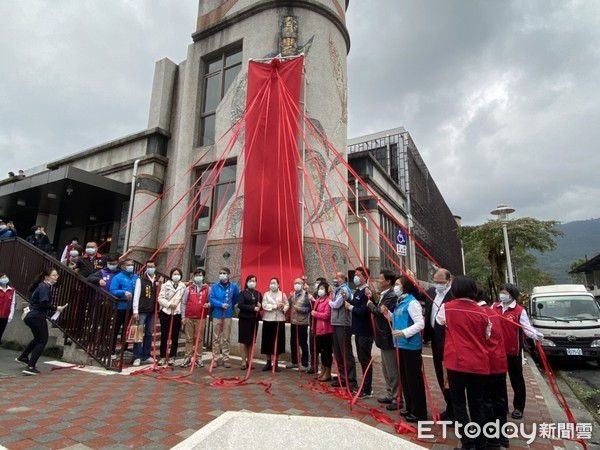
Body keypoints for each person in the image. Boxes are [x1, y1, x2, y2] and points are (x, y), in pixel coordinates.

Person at [436, 275, 490, 450]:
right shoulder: (483, 311)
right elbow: (487, 334)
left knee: (459, 403)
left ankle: (467, 442)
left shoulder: (447, 308)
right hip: (479, 363)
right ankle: (481, 443)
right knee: (477, 403)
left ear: (454, 290)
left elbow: (439, 321)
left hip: (457, 363)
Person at [493, 283, 543, 420]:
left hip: (513, 351)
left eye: (505, 293)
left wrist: (536, 335)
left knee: (517, 379)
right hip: (497, 350)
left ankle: (519, 407)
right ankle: (502, 405)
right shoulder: (494, 307)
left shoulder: (519, 311)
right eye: (501, 292)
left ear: (512, 295)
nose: (502, 295)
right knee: (499, 379)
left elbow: (527, 328)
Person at [389, 275, 427, 422]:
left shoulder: (412, 303)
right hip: (401, 345)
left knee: (414, 380)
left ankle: (419, 412)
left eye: (398, 284)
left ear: (405, 286)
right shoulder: (401, 302)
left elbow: (420, 324)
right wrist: (388, 313)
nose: (395, 287)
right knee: (405, 379)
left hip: (411, 346)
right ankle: (410, 407)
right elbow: (396, 318)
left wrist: (404, 333)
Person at [17, 268, 66, 375]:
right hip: (36, 316)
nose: (56, 277)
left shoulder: (43, 287)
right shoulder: (44, 288)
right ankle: (31, 366)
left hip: (32, 316)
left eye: (56, 275)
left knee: (38, 338)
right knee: (42, 340)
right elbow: (43, 304)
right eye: (54, 275)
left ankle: (24, 356)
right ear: (46, 277)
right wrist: (56, 308)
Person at [477, 288, 508, 450]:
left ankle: (492, 437)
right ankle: (502, 435)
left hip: (488, 362)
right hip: (499, 361)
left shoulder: (481, 313)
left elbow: (483, 337)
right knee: (499, 399)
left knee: (487, 401)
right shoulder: (492, 311)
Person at [368, 270, 401, 410]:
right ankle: (390, 393)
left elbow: (379, 312)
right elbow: (379, 308)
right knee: (386, 369)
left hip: (387, 336)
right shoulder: (386, 294)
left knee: (392, 369)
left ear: (388, 281)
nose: (379, 280)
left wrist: (370, 304)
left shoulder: (392, 296)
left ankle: (396, 397)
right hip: (382, 336)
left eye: (381, 278)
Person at [423, 268, 454, 420]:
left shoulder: (454, 295)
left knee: (450, 376)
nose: (438, 285)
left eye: (441, 282)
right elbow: (418, 295)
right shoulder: (431, 291)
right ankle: (449, 404)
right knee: (440, 373)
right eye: (436, 282)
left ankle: (454, 407)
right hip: (435, 340)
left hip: (449, 341)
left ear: (449, 281)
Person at [345, 267, 374, 398]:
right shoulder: (357, 291)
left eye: (358, 275)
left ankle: (367, 388)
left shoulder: (367, 292)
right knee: (362, 359)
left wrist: (350, 307)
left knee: (365, 360)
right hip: (357, 331)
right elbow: (353, 302)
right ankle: (365, 386)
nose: (355, 277)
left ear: (364, 277)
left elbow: (364, 311)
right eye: (355, 275)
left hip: (365, 331)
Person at [329, 272, 357, 391]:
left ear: (342, 279)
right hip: (336, 323)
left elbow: (336, 305)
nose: (335, 280)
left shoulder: (344, 290)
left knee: (345, 352)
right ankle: (342, 377)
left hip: (343, 324)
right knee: (338, 353)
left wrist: (329, 301)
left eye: (337, 278)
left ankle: (350, 379)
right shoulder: (338, 290)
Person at [131, 260, 161, 366]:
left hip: (152, 311)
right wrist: (135, 311)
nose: (150, 268)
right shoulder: (141, 280)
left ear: (155, 267)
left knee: (148, 334)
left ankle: (146, 355)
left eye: (152, 266)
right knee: (138, 333)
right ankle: (137, 356)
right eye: (148, 266)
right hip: (142, 310)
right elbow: (136, 296)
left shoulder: (157, 281)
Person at [180, 268, 210, 368]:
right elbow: (183, 302)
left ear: (203, 277)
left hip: (201, 317)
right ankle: (187, 357)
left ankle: (198, 357)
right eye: (196, 275)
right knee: (189, 338)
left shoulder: (208, 289)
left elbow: (211, 301)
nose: (198, 277)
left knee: (199, 338)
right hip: (189, 316)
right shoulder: (189, 288)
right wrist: (183, 316)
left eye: (200, 275)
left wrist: (209, 305)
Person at [209, 267, 239, 368]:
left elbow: (236, 297)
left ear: (228, 275)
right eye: (220, 273)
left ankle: (226, 358)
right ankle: (215, 358)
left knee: (226, 338)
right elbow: (212, 298)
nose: (222, 275)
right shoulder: (215, 286)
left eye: (224, 273)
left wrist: (230, 305)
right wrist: (221, 304)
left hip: (228, 315)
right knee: (216, 338)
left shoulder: (233, 286)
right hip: (217, 314)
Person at [109, 258, 138, 358]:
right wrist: (123, 292)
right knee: (116, 328)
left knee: (127, 328)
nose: (131, 266)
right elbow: (112, 290)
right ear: (123, 266)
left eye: (132, 264)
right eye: (128, 265)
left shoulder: (135, 277)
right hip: (120, 306)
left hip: (131, 307)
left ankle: (124, 348)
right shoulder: (118, 277)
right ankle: (111, 349)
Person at [157, 268, 186, 366]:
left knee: (175, 335)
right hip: (166, 312)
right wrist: (169, 305)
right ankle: (162, 357)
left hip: (177, 313)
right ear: (171, 275)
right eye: (174, 274)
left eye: (178, 274)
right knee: (164, 335)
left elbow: (184, 301)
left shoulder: (183, 286)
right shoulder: (165, 285)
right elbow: (160, 298)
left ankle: (172, 356)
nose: (176, 276)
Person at [261, 277, 288, 372]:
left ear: (278, 284)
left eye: (274, 283)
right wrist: (275, 306)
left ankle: (276, 362)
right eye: (271, 283)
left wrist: (283, 307)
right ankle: (268, 362)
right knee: (267, 341)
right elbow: (264, 305)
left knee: (278, 342)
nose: (272, 285)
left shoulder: (282, 294)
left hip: (279, 320)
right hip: (268, 320)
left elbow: (287, 305)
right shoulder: (266, 294)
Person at [237, 274, 262, 370]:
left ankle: (250, 361)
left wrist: (260, 307)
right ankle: (243, 362)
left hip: (254, 320)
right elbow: (240, 305)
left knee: (251, 341)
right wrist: (253, 308)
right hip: (244, 318)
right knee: (243, 340)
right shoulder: (242, 293)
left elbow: (261, 306)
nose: (252, 283)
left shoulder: (258, 294)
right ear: (247, 282)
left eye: (254, 281)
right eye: (250, 281)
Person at [311, 280, 333, 381]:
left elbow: (327, 315)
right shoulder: (317, 300)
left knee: (326, 353)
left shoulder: (328, 301)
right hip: (318, 330)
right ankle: (323, 371)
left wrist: (315, 314)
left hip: (326, 331)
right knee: (321, 352)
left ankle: (327, 373)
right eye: (319, 288)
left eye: (322, 289)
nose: (320, 290)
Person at [287, 277, 311, 371]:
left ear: (302, 284)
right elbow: (288, 305)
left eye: (298, 283)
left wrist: (300, 309)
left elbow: (309, 308)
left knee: (303, 343)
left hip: (302, 322)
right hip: (293, 322)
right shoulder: (293, 295)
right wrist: (289, 298)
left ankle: (305, 363)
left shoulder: (306, 295)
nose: (297, 285)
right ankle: (294, 361)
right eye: (295, 283)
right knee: (293, 342)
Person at [307, 276, 327, 375]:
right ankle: (313, 365)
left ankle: (324, 369)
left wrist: (314, 301)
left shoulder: (326, 298)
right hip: (313, 325)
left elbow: (325, 312)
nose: (317, 287)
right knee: (312, 346)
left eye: (319, 285)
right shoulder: (314, 294)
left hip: (322, 328)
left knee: (323, 349)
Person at [0, 273, 16, 342]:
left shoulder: (12, 290)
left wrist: (11, 315)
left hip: (5, 316)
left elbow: (12, 303)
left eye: (5, 277)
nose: (4, 278)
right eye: (2, 277)